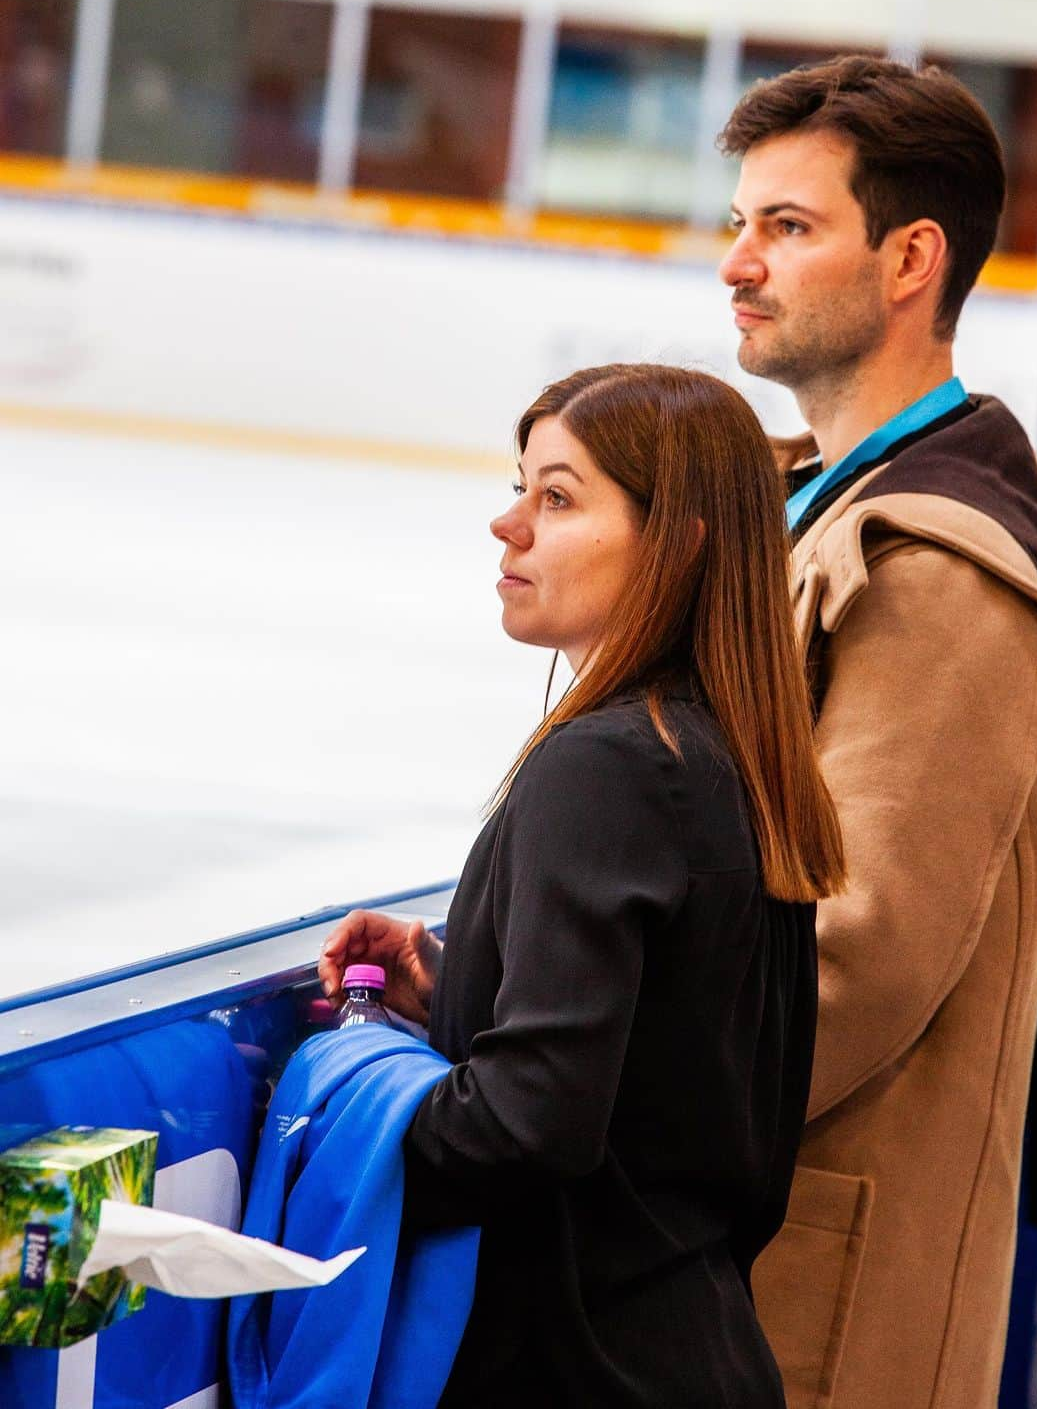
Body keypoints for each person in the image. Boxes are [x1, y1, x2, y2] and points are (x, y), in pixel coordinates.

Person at [320, 363, 845, 1408]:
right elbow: (659, 1061)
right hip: (690, 1354)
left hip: (578, 1371)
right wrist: (461, 984)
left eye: (557, 496)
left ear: (679, 542)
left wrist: (338, 1113)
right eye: (521, 486)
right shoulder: (721, 755)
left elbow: (529, 1126)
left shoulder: (609, 765)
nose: (507, 524)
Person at [718, 53, 1037, 1409]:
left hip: (816, 1301)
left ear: (911, 256)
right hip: (743, 1263)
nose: (738, 262)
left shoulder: (942, 570)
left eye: (788, 226)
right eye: (740, 221)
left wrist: (571, 1080)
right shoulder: (826, 499)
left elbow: (849, 967)